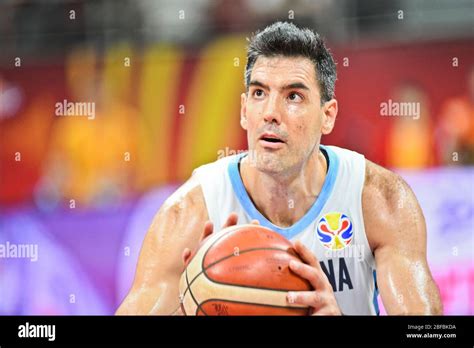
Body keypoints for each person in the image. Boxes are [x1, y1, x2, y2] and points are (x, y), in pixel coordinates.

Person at [116, 21, 442, 315]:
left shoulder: (379, 199)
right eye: (259, 93)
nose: (271, 112)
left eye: (293, 96)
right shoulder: (190, 211)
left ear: (327, 115)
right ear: (244, 110)